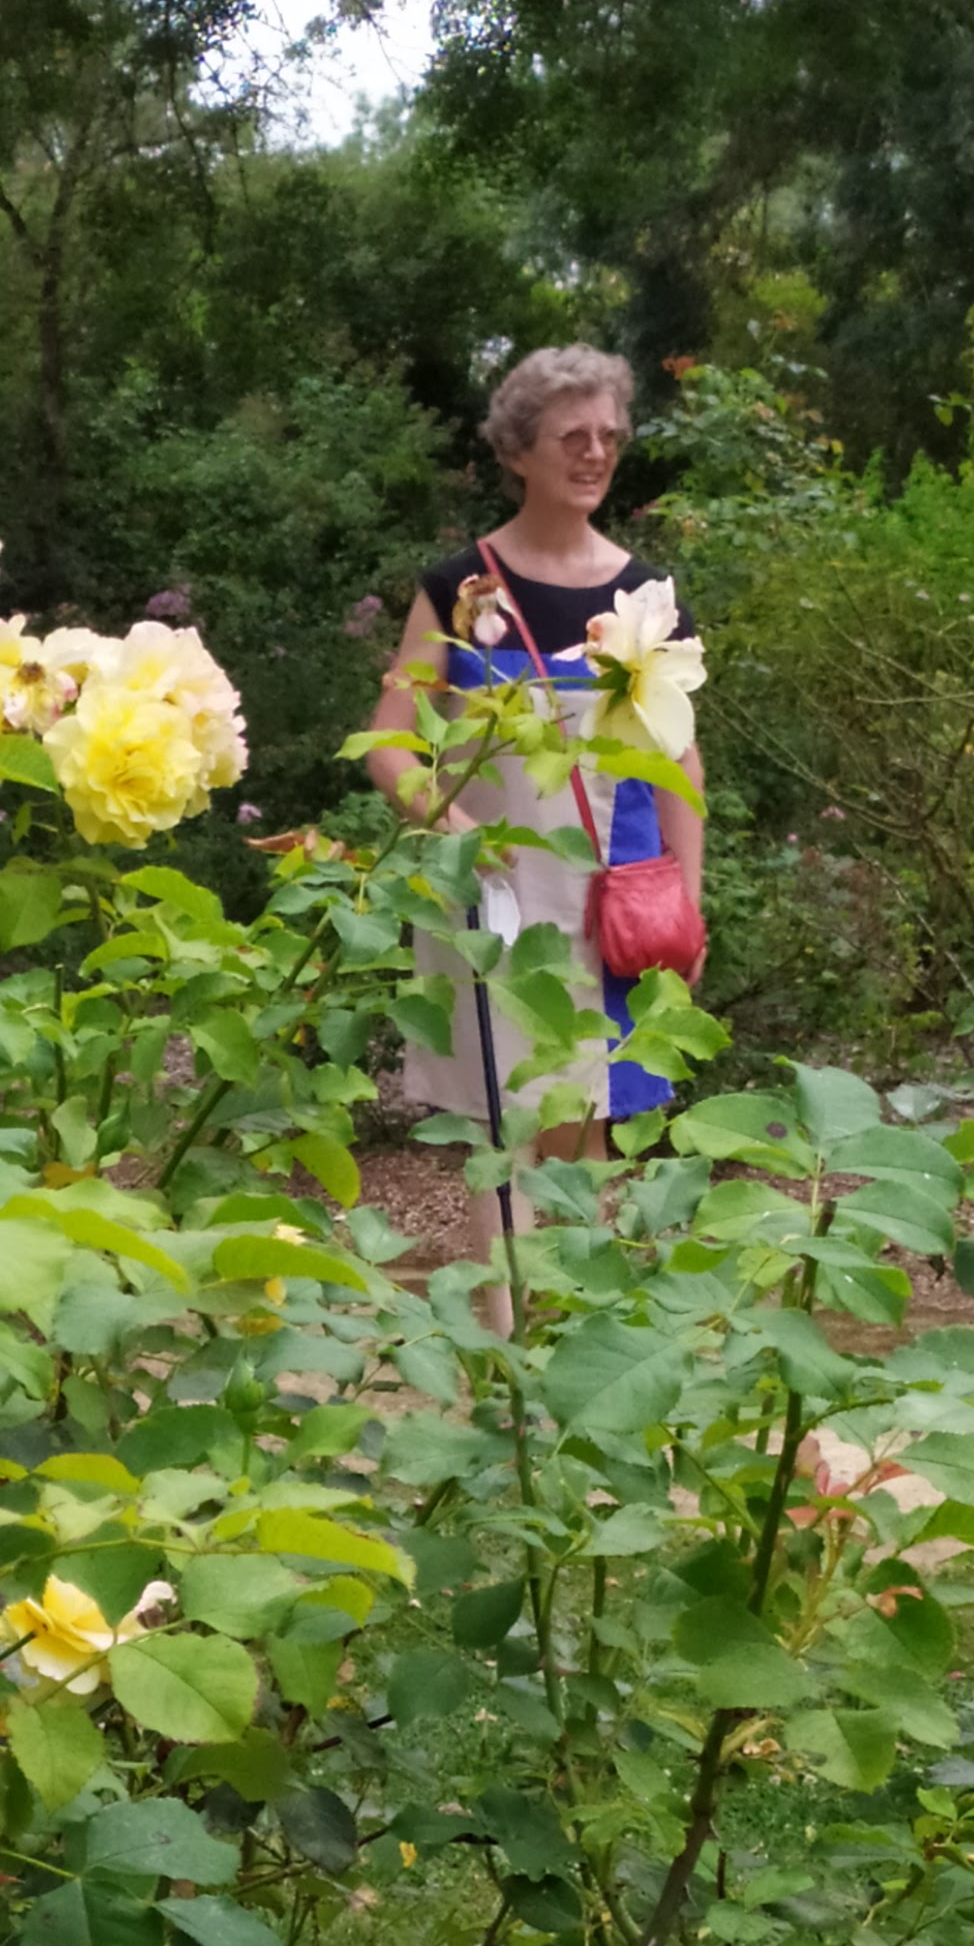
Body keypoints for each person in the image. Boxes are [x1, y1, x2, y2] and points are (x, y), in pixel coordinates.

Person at [364, 344, 705, 1281]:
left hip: (615, 905)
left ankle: (574, 1336)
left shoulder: (645, 600)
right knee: (506, 1128)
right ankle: (510, 1350)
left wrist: (690, 902)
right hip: (497, 905)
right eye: (572, 437)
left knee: (591, 1129)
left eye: (610, 436)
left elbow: (679, 762)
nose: (596, 453)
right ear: (518, 451)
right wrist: (458, 835)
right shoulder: (459, 589)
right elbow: (389, 742)